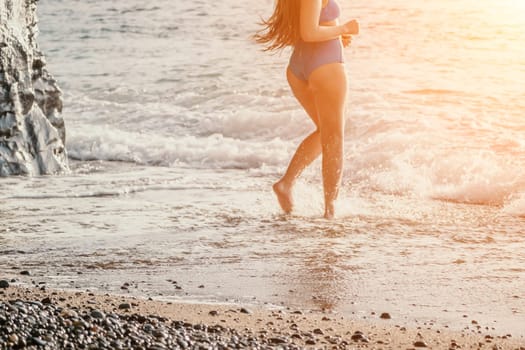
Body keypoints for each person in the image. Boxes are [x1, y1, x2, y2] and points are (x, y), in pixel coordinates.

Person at [255, 0, 359, 218]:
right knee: (334, 138)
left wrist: (336, 35)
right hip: (325, 66)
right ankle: (331, 211)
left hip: (300, 66)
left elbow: (309, 26)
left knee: (326, 132)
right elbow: (309, 32)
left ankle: (286, 184)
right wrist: (344, 29)